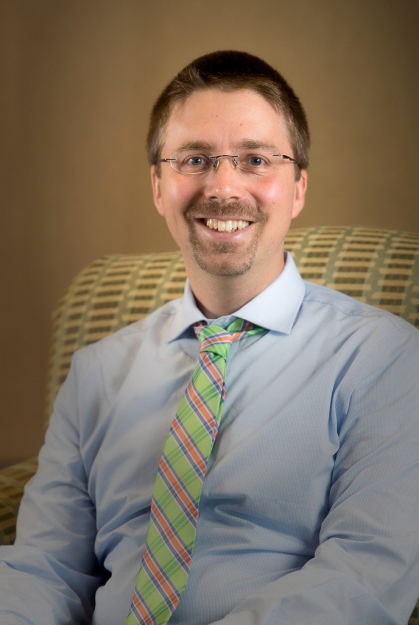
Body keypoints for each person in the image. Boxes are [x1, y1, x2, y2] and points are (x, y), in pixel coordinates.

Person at [1, 50, 419, 625]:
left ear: (297, 188)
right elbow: (43, 572)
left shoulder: (385, 358)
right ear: (158, 187)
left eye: (255, 160)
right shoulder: (97, 371)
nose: (223, 187)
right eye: (195, 159)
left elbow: (366, 575)